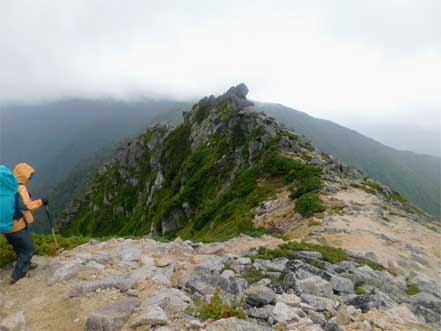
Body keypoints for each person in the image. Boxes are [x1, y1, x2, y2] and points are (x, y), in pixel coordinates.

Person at [5, 163, 48, 284]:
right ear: (23, 176)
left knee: (19, 248)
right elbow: (26, 205)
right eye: (29, 176)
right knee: (29, 249)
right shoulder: (20, 188)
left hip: (7, 226)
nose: (30, 179)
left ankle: (26, 264)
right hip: (18, 225)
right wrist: (41, 201)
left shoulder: (7, 186)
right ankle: (17, 276)